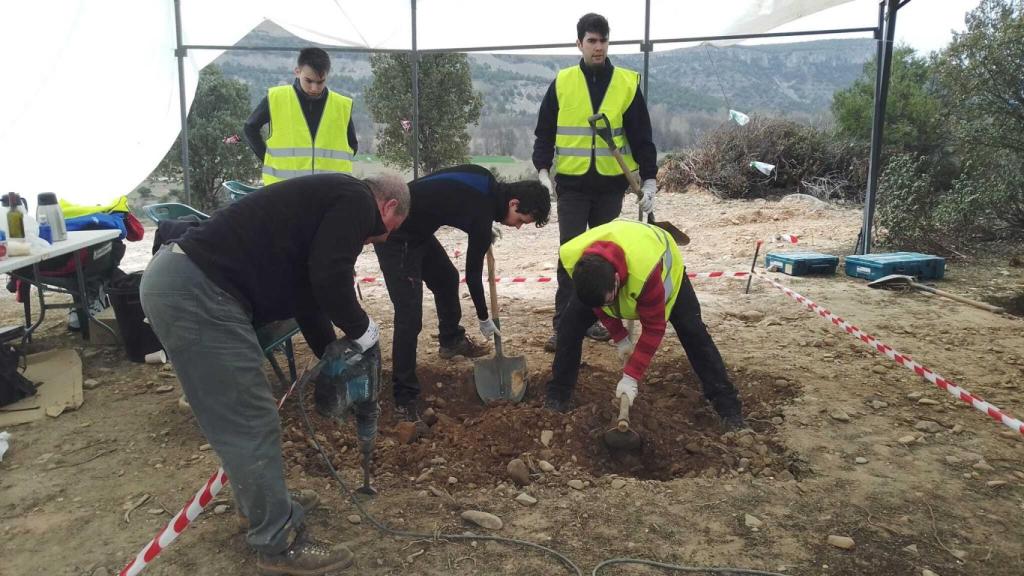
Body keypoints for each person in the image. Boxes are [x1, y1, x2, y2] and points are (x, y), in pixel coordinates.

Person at [140, 173, 409, 575]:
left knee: (245, 417)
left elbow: (311, 296)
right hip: (198, 292)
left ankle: (263, 504)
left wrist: (333, 357)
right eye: (387, 230)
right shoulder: (356, 199)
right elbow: (329, 275)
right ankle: (277, 542)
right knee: (250, 419)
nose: (379, 239)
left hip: (190, 283)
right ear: (388, 207)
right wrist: (363, 332)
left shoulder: (324, 204)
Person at [374, 165, 550, 421]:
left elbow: (451, 196)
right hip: (395, 236)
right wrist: (483, 317)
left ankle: (451, 340)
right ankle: (404, 397)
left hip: (418, 232)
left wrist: (482, 229)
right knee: (409, 317)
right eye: (521, 221)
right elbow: (473, 274)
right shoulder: (483, 212)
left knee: (446, 278)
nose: (518, 227)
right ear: (513, 203)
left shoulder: (486, 180)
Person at [533, 13, 659, 353]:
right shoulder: (563, 82)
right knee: (571, 255)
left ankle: (600, 321)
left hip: (610, 186)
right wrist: (543, 171)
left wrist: (649, 181)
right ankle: (564, 326)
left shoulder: (626, 84)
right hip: (572, 186)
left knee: (604, 258)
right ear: (579, 43)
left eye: (603, 40)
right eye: (591, 41)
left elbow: (641, 137)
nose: (598, 47)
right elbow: (544, 132)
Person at [544, 220, 745, 431]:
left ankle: (728, 406)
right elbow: (598, 305)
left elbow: (654, 328)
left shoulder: (645, 275)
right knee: (569, 325)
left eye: (610, 298)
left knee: (692, 330)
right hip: (609, 270)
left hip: (661, 267)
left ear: (615, 278)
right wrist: (620, 336)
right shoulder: (578, 263)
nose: (608, 304)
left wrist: (631, 377)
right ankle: (558, 394)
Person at [244, 47, 359, 184]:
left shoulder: (341, 105)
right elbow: (250, 128)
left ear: (327, 76)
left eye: (320, 82)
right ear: (297, 72)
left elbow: (352, 146)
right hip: (284, 191)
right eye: (309, 81)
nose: (314, 88)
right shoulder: (276, 98)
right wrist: (268, 159)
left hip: (329, 192)